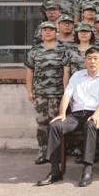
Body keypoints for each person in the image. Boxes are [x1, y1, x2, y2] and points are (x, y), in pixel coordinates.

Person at [36, 47, 99, 187]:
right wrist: (62, 113)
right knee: (55, 126)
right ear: (85, 60)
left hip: (98, 113)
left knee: (90, 125)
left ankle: (87, 170)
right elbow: (67, 95)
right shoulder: (77, 75)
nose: (92, 61)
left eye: (95, 58)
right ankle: (55, 171)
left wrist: (96, 115)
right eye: (89, 58)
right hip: (76, 115)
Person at [25, 21, 66, 164]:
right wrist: (29, 91)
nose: (48, 32)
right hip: (41, 94)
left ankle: (57, 154)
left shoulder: (63, 49)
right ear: (41, 33)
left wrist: (66, 92)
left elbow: (67, 72)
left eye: (51, 30)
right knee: (42, 124)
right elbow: (30, 72)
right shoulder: (35, 51)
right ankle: (43, 152)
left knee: (57, 124)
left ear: (56, 32)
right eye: (45, 30)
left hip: (58, 94)